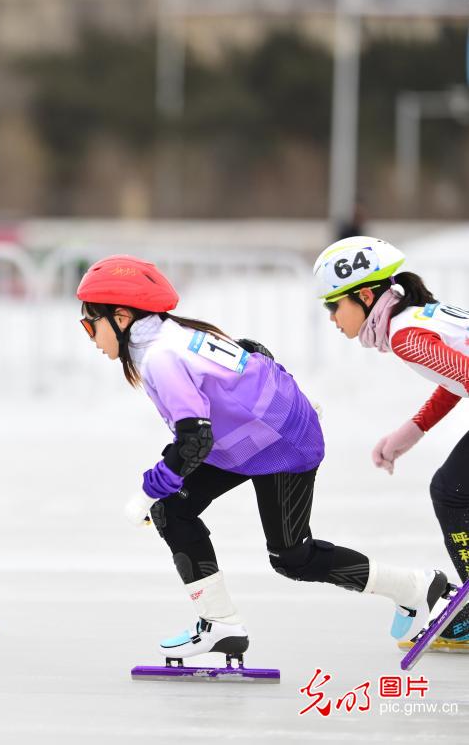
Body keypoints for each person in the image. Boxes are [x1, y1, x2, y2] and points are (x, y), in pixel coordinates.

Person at [77, 254, 447, 661]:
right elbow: (252, 353)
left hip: (283, 445)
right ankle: (220, 624)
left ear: (123, 318)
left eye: (89, 324)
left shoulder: (162, 356)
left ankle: (414, 586)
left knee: (292, 557)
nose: (89, 336)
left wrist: (147, 490)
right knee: (172, 509)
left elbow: (193, 440)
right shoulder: (174, 333)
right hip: (250, 438)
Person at [314, 235, 469, 646]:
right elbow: (456, 379)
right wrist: (409, 433)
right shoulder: (412, 320)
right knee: (452, 489)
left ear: (365, 295)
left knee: (450, 492)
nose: (331, 318)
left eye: (334, 305)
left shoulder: (405, 333)